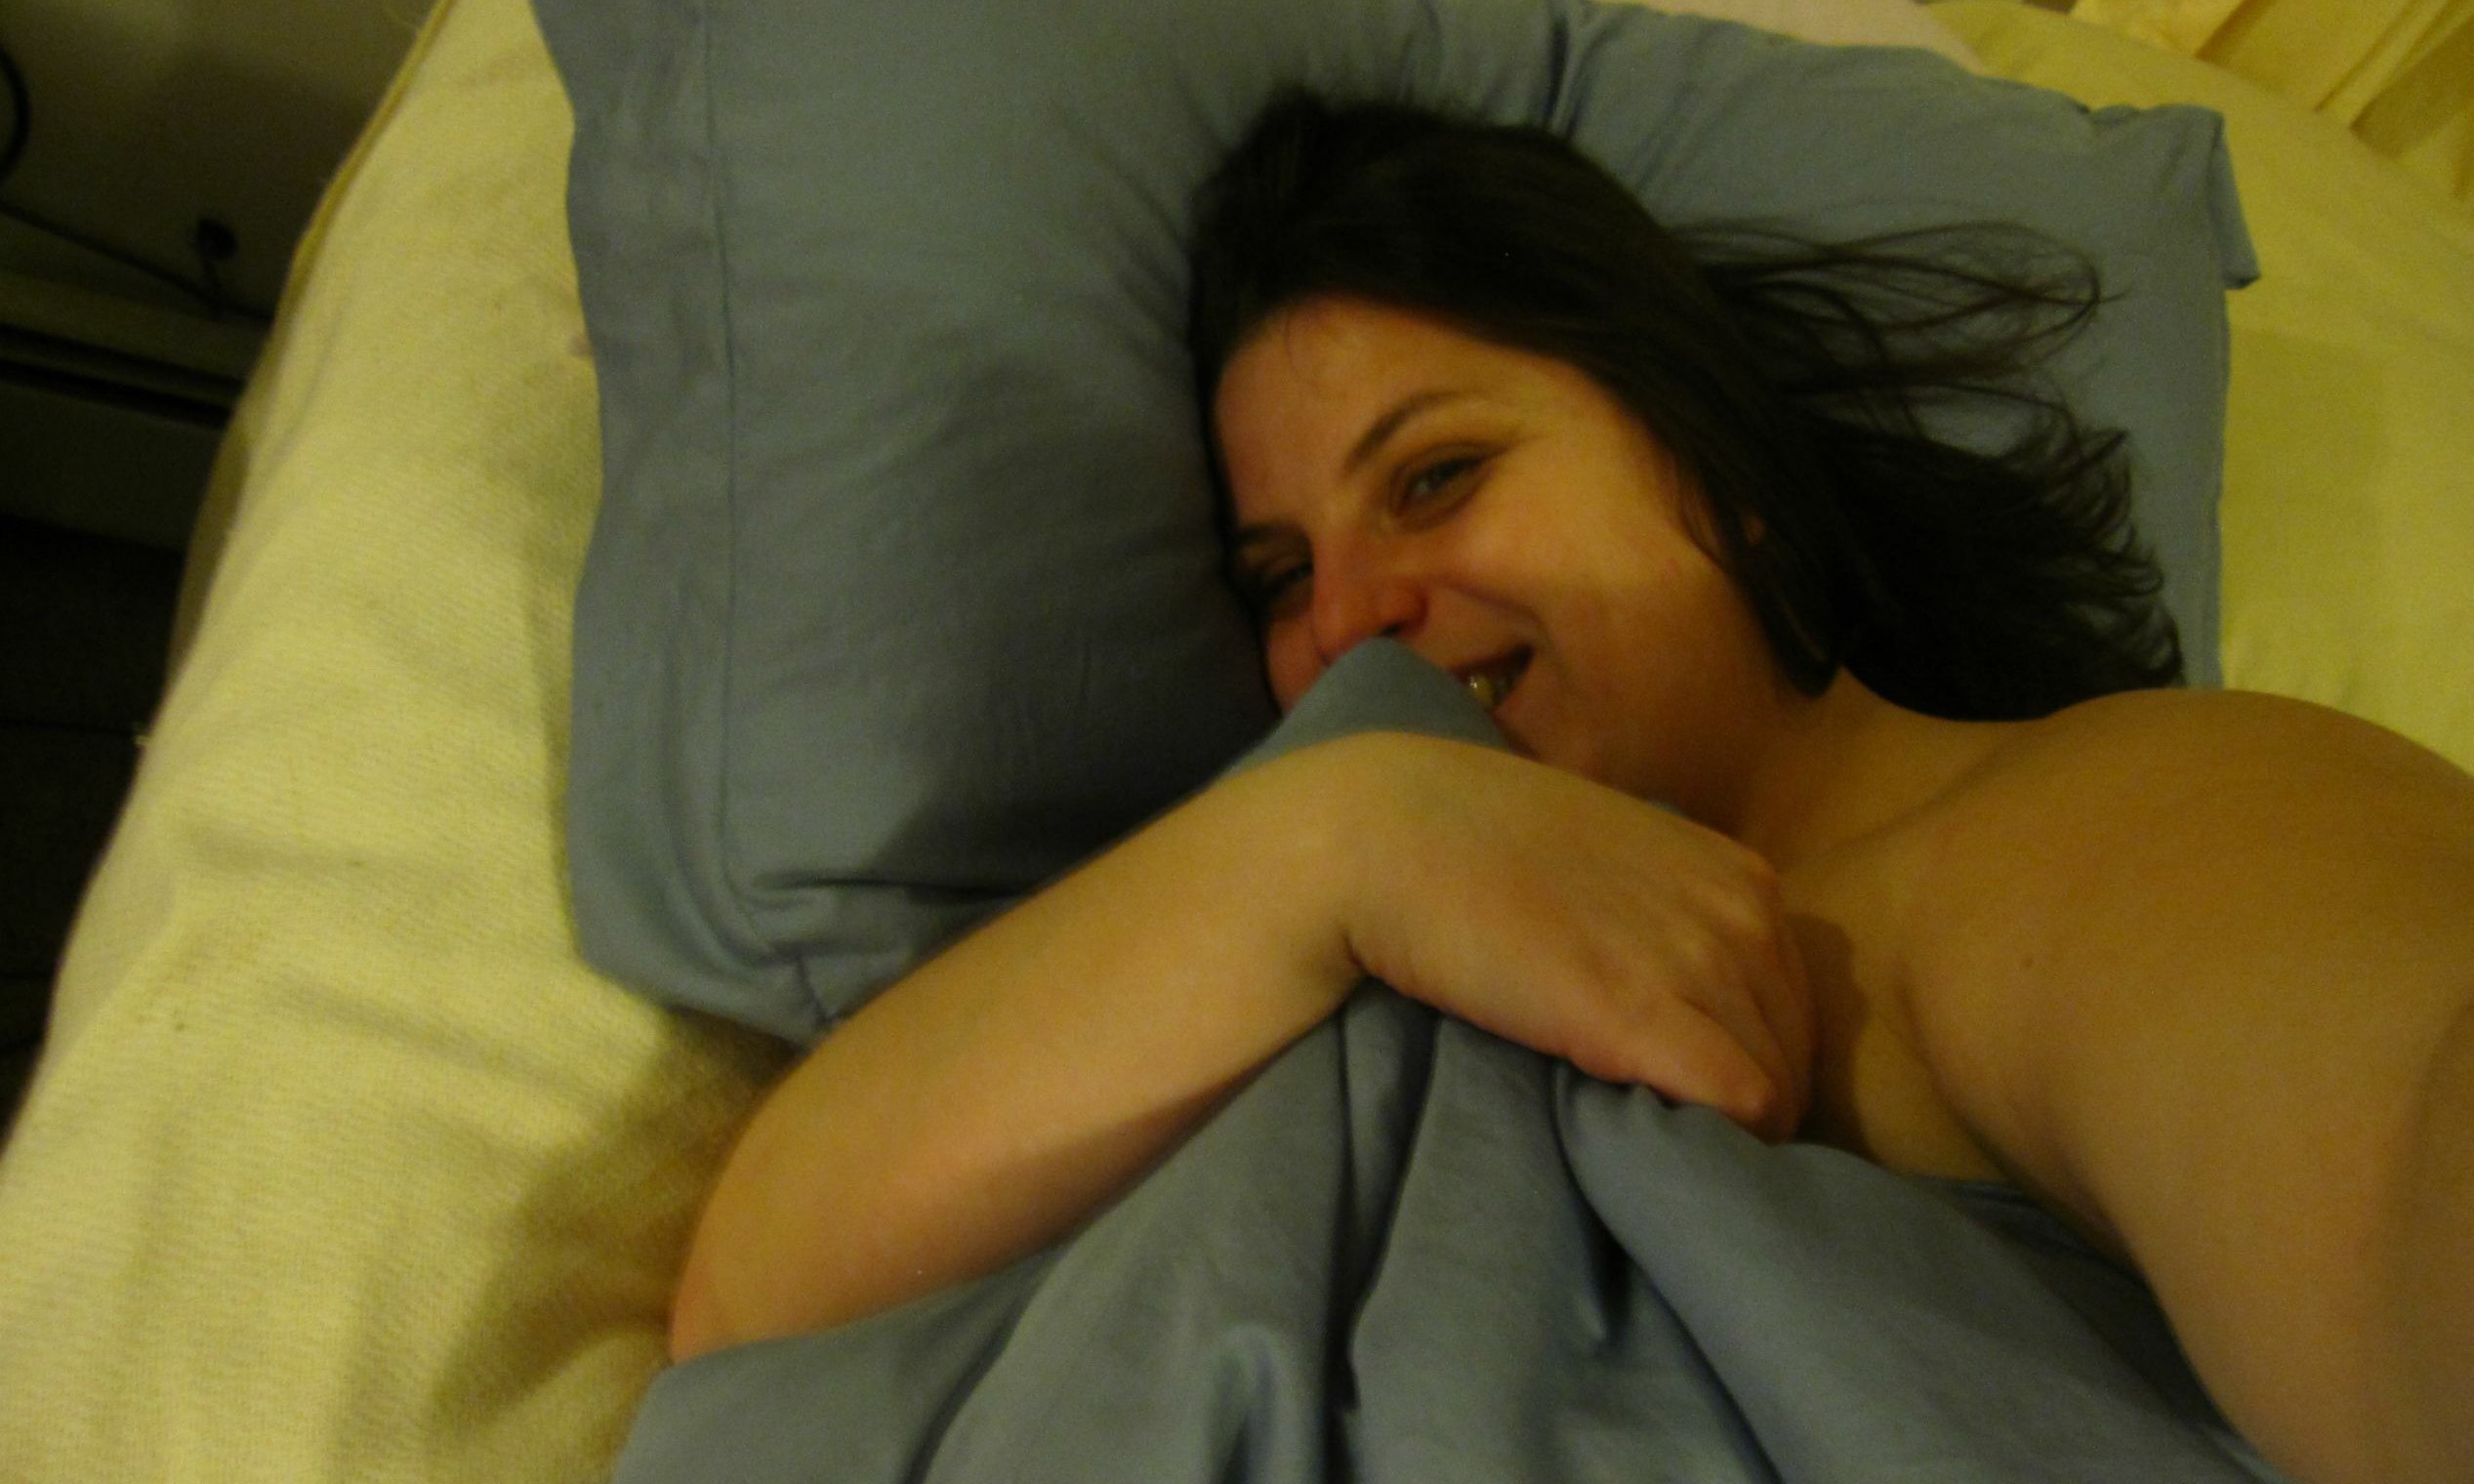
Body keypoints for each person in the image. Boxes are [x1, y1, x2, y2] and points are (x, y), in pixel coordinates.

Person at [666, 93, 2473, 1484]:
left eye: (1434, 478)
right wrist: (1332, 842)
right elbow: (754, 1306)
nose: (1349, 622)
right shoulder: (1296, 903)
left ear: (1713, 458)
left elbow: (2393, 1178)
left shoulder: (2081, 827)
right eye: (1281, 576)